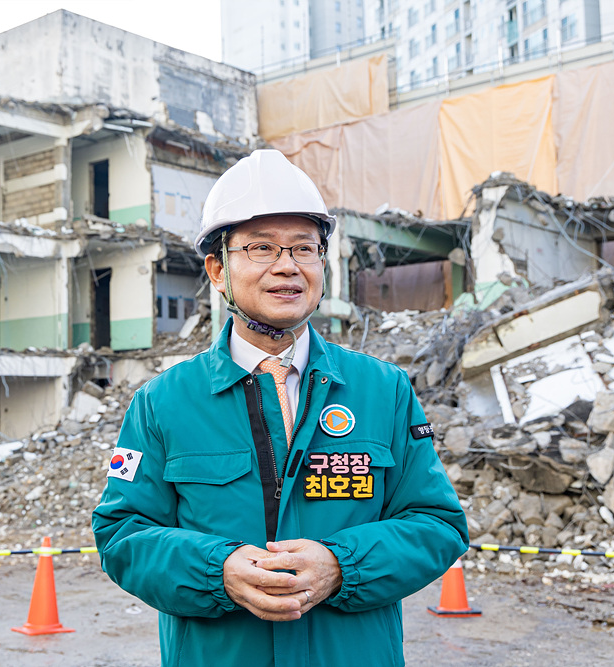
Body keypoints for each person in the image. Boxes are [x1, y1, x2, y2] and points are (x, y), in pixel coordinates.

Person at [93, 149, 468, 667]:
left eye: (303, 248)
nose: (287, 266)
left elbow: (437, 523)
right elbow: (121, 533)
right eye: (261, 249)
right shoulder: (162, 404)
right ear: (218, 270)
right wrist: (217, 570)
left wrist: (343, 566)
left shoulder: (383, 390)